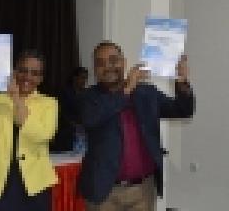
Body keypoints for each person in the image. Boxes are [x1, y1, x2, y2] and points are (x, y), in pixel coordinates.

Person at [78, 41, 195, 211]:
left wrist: (182, 82)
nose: (108, 67)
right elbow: (91, 119)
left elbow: (183, 110)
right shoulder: (88, 98)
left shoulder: (146, 92)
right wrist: (127, 90)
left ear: (124, 62)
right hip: (104, 193)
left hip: (143, 191)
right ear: (95, 69)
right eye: (100, 63)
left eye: (113, 60)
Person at [0, 50, 58, 211]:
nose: (28, 77)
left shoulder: (49, 103)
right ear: (14, 72)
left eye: (35, 73)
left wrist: (16, 99)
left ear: (41, 79)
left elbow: (42, 135)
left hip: (34, 184)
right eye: (23, 70)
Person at [51, 67, 88, 151]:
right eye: (82, 78)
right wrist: (73, 124)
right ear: (75, 78)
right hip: (66, 131)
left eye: (85, 78)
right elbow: (60, 111)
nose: (84, 81)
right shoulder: (64, 92)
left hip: (82, 133)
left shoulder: (86, 93)